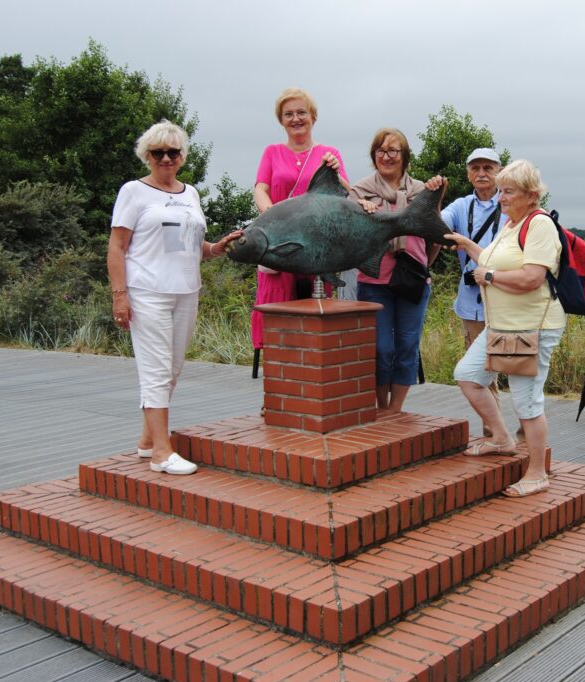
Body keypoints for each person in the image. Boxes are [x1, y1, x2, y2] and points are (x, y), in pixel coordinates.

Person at [107, 120, 242, 475]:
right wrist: (120, 296)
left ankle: (147, 439)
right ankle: (161, 454)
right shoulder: (133, 192)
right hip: (147, 289)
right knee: (155, 368)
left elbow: (192, 247)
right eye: (158, 152)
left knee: (173, 369)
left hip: (186, 289)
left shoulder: (191, 193)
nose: (166, 158)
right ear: (147, 156)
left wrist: (217, 248)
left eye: (173, 152)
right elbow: (117, 247)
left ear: (182, 156)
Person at [442, 160, 563, 498]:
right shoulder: (512, 224)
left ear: (532, 195)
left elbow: (531, 278)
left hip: (530, 328)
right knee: (468, 375)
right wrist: (467, 245)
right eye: (501, 191)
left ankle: (537, 473)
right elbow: (492, 261)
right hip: (502, 327)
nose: (500, 198)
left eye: (508, 191)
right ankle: (501, 438)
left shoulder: (539, 225)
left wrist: (489, 277)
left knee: (527, 401)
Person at [350, 128, 442, 413]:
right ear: (373, 155)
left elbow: (435, 233)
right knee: (381, 348)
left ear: (404, 156)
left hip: (412, 278)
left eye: (393, 151)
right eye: (381, 151)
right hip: (373, 279)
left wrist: (423, 264)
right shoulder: (359, 191)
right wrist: (360, 210)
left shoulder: (421, 192)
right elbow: (351, 234)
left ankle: (395, 410)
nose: (386, 157)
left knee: (407, 345)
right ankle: (380, 405)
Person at [252, 87, 349, 353]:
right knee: (277, 301)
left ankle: (315, 367)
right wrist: (273, 217)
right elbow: (261, 188)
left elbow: (345, 194)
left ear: (313, 117)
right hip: (280, 241)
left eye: (301, 113)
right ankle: (278, 361)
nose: (296, 119)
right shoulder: (271, 152)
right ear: (281, 120)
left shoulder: (330, 152)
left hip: (317, 243)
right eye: (288, 114)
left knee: (317, 302)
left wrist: (336, 171)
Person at [440, 148, 508, 437]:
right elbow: (437, 225)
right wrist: (435, 196)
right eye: (475, 168)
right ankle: (492, 429)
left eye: (488, 167)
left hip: (505, 297)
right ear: (468, 173)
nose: (481, 173)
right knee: (478, 368)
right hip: (471, 300)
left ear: (499, 171)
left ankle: (509, 432)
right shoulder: (460, 206)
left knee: (510, 364)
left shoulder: (509, 203)